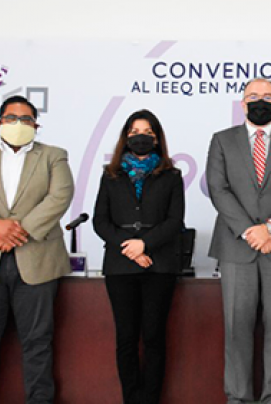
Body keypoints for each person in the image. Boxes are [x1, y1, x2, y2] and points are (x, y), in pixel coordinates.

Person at [0, 95, 74, 404]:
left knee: (38, 341)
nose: (18, 124)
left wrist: (18, 230)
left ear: (36, 125)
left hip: (37, 260)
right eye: (11, 118)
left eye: (26, 119)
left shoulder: (54, 156)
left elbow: (60, 196)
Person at [206, 78, 271, 404]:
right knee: (236, 328)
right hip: (236, 246)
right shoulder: (222, 140)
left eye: (268, 96)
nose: (260, 101)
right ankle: (237, 398)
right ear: (242, 103)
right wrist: (251, 231)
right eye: (253, 96)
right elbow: (218, 189)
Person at [92, 109, 185, 404]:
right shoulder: (110, 175)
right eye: (134, 132)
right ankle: (131, 398)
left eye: (147, 132)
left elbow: (175, 221)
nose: (140, 137)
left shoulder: (172, 175)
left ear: (156, 138)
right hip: (120, 266)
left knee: (154, 337)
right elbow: (100, 221)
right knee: (126, 338)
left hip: (160, 265)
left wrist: (144, 244)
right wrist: (130, 247)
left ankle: (150, 399)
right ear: (125, 137)